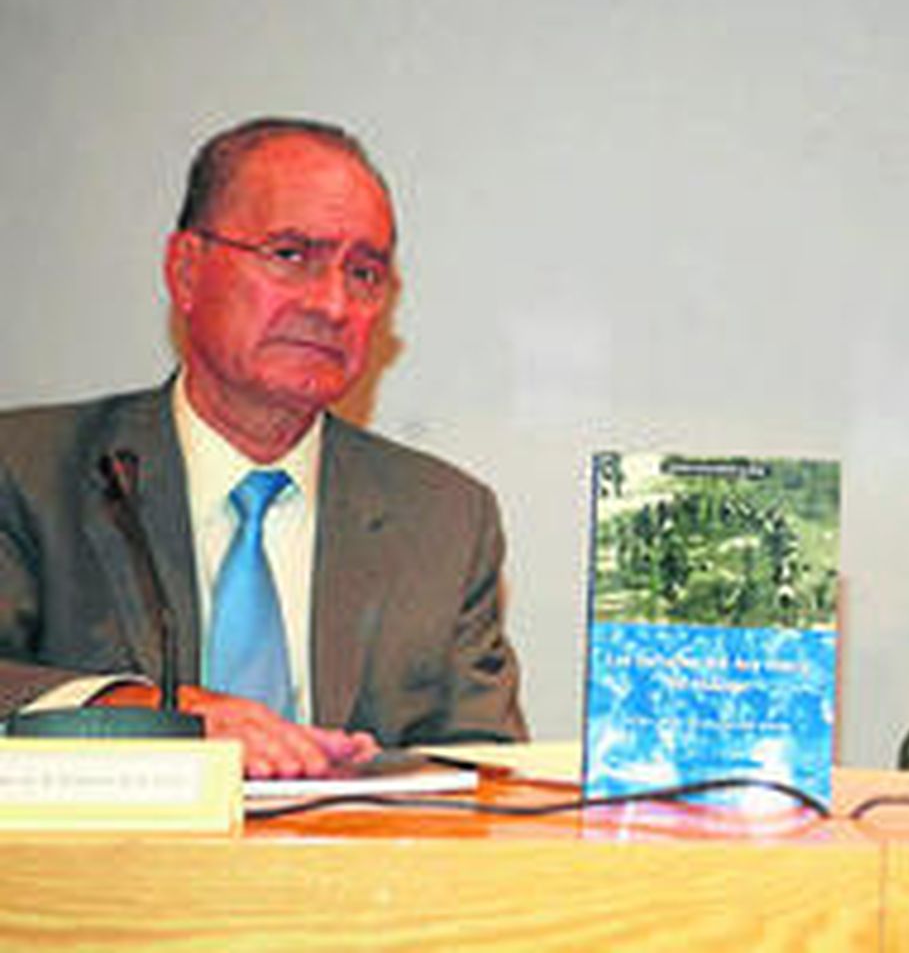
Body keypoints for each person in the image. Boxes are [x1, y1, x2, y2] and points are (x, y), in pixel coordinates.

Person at [0, 117, 526, 777]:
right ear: (187, 271)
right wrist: (153, 713)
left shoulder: (445, 518)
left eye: (364, 273)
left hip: (354, 872)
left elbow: (485, 776)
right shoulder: (27, 472)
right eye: (291, 255)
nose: (333, 304)